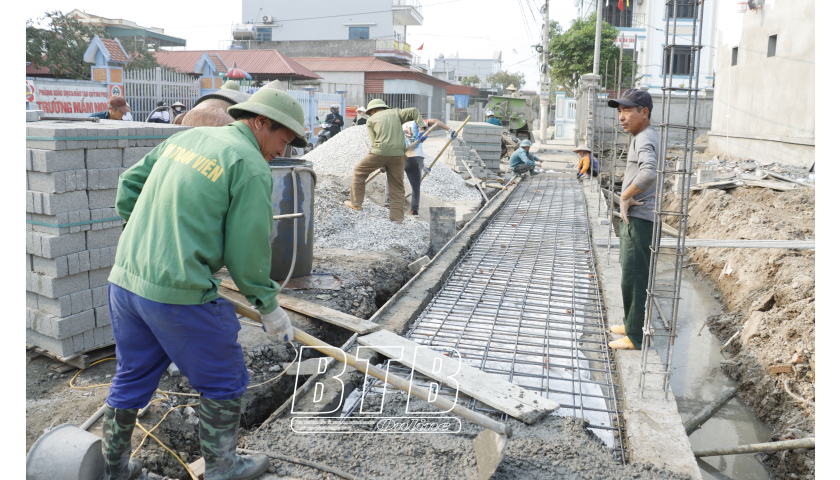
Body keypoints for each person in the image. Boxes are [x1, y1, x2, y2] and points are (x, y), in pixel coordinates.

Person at [101, 86, 308, 480]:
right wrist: (269, 306)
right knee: (226, 378)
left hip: (126, 281)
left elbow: (129, 183)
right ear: (261, 122)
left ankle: (114, 472)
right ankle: (222, 469)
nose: (283, 151)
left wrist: (147, 235)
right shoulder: (249, 164)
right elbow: (247, 251)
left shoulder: (191, 137)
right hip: (178, 293)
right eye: (283, 140)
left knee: (130, 377)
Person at [606, 88, 658, 351]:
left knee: (636, 277)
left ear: (644, 113)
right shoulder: (640, 136)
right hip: (636, 218)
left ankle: (635, 337)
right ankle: (630, 324)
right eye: (619, 111)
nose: (622, 117)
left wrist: (625, 195)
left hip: (640, 219)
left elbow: (650, 173)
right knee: (629, 274)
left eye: (627, 111)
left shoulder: (644, 137)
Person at [344, 98, 423, 223]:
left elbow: (373, 142)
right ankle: (397, 219)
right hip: (398, 155)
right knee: (397, 186)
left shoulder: (371, 120)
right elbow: (413, 111)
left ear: (373, 110)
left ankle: (356, 203)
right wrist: (422, 127)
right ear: (384, 107)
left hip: (379, 152)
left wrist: (380, 162)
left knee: (359, 171)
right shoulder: (396, 113)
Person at [384, 118, 455, 216]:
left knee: (390, 179)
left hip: (400, 156)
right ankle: (414, 210)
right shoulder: (418, 123)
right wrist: (449, 129)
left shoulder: (396, 125)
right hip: (416, 158)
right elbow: (435, 121)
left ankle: (389, 204)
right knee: (416, 186)